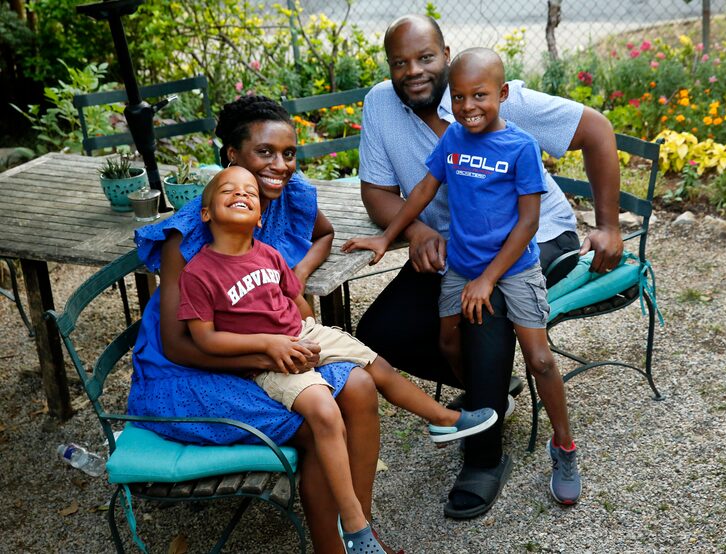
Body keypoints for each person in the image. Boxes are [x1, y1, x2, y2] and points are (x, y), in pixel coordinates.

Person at [355, 15, 623, 519]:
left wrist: (608, 224)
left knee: (487, 307)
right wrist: (414, 231)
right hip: (461, 245)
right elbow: (377, 191)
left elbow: (597, 130)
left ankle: (483, 456)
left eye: (426, 58)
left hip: (536, 236)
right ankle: (492, 389)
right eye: (399, 62)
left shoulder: (491, 94)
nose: (413, 71)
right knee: (380, 330)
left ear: (448, 54)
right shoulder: (381, 105)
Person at [177, 165, 498, 550]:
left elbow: (292, 295)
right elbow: (205, 339)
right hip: (266, 357)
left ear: (260, 216)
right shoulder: (199, 272)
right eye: (229, 190)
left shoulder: (267, 254)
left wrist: (311, 327)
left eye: (250, 192)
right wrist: (267, 345)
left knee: (377, 366)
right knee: (324, 409)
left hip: (303, 335)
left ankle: (443, 419)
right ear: (206, 212)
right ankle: (354, 523)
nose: (242, 194)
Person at [127, 96, 395, 553]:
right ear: (232, 155)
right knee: (313, 425)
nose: (280, 165)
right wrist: (266, 351)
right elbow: (175, 345)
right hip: (189, 373)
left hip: (267, 346)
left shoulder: (279, 195)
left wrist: (296, 280)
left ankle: (360, 535)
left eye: (287, 153)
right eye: (264, 153)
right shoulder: (188, 236)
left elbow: (324, 232)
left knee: (362, 387)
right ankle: (332, 548)